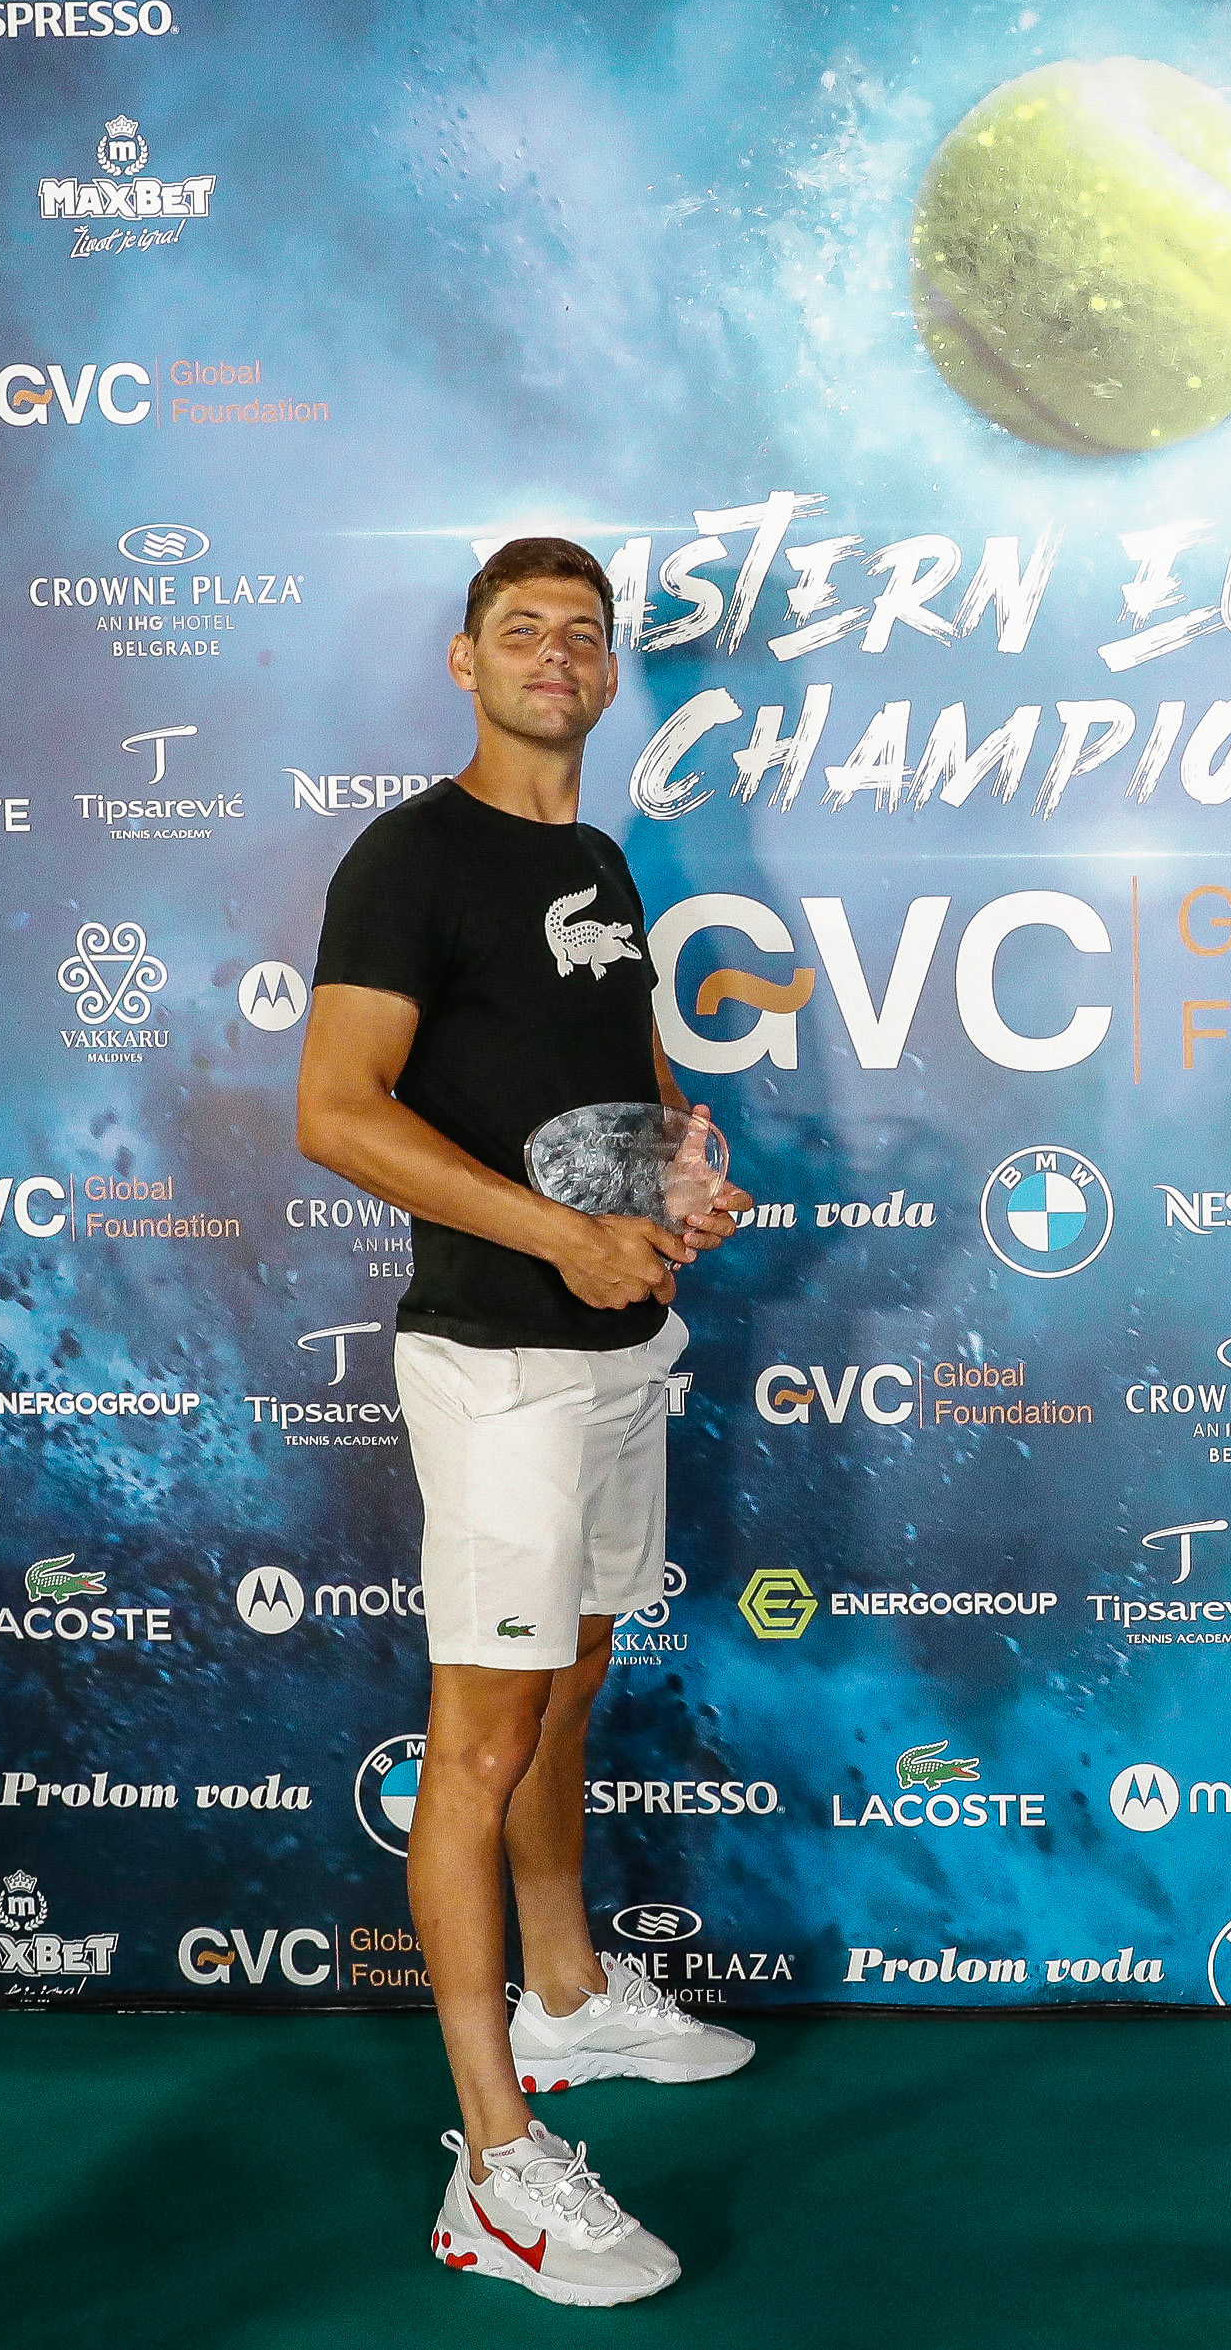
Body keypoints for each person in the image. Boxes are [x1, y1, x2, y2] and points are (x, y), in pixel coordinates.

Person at [297, 535, 754, 2308]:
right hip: (496, 1355)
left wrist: (675, 1162)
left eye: (584, 633)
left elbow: (619, 1081)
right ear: (464, 660)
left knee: (573, 1673)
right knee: (477, 1741)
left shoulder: (595, 856)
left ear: (611, 670)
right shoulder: (407, 857)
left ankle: (567, 2002)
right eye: (522, 632)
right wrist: (562, 1232)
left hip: (621, 1342)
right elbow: (338, 1110)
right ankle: (491, 2163)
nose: (557, 655)